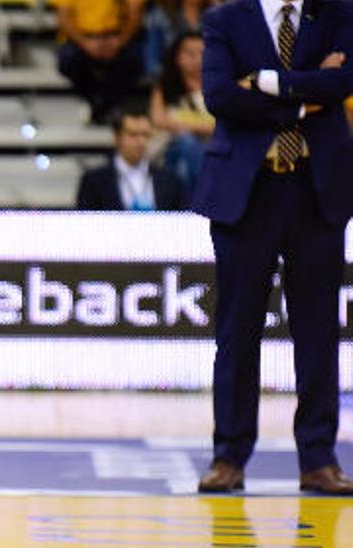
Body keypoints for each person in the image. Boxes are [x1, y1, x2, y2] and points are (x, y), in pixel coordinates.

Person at [193, 0, 353, 496]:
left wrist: (263, 82)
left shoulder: (338, 13)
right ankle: (229, 457)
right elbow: (219, 96)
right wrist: (306, 97)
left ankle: (319, 459)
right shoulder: (224, 19)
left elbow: (342, 84)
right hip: (248, 193)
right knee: (237, 331)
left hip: (316, 191)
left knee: (318, 332)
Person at [53, 0, 147, 124]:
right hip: (80, 39)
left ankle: (107, 105)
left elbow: (135, 12)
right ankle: (94, 102)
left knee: (134, 60)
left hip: (116, 36)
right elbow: (64, 19)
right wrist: (86, 43)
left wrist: (120, 41)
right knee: (69, 60)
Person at [76, 108, 185, 211]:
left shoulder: (170, 180)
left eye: (145, 135)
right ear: (117, 137)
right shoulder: (94, 182)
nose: (141, 142)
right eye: (133, 135)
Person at [150, 31, 214, 191]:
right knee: (187, 143)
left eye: (202, 53)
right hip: (170, 150)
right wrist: (201, 126)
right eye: (189, 53)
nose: (196, 59)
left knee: (184, 169)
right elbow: (158, 120)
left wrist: (185, 125)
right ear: (177, 56)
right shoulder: (164, 88)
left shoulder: (219, 88)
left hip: (211, 150)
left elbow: (221, 125)